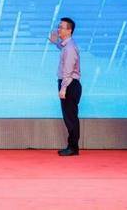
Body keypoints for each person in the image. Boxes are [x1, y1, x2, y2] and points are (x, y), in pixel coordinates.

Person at [49, 17, 82, 156]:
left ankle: (73, 147)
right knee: (69, 116)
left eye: (61, 27)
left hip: (69, 84)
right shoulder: (67, 46)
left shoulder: (70, 48)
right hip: (69, 84)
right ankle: (72, 146)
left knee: (70, 117)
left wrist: (63, 88)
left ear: (69, 30)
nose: (58, 29)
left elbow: (68, 71)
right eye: (59, 26)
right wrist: (55, 42)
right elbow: (61, 47)